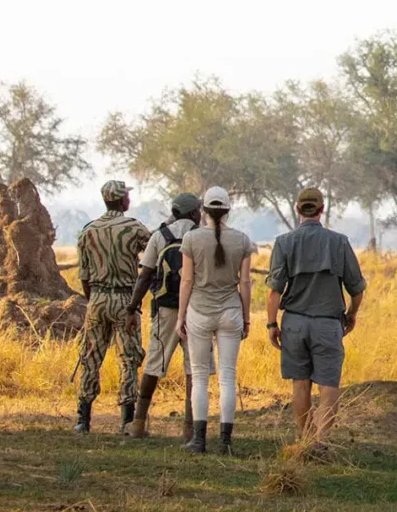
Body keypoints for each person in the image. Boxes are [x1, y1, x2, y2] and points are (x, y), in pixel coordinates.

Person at [266, 187, 366, 448]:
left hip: (295, 323)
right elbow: (357, 288)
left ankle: (305, 439)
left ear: (297, 209)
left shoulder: (284, 242)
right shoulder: (339, 242)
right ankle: (321, 441)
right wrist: (351, 315)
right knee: (328, 383)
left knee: (300, 383)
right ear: (322, 210)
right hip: (328, 323)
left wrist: (271, 324)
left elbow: (273, 292)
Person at [176, 186, 256, 454]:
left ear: (204, 210)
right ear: (228, 211)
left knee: (199, 376)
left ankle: (199, 440)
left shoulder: (191, 239)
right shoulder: (242, 240)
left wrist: (180, 317)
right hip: (230, 311)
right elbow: (245, 282)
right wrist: (246, 317)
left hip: (198, 310)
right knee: (227, 377)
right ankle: (225, 441)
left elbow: (186, 280)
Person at [73, 180, 150, 434]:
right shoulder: (134, 228)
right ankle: (127, 419)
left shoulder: (88, 231)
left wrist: (93, 298)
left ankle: (83, 419)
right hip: (125, 300)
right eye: (127, 195)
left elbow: (83, 275)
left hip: (96, 299)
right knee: (128, 358)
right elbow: (152, 257)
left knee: (91, 357)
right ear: (122, 200)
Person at [125, 192, 201, 439]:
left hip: (165, 309)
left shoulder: (160, 236)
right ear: (193, 213)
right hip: (196, 310)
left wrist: (132, 307)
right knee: (194, 369)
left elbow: (145, 276)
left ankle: (138, 422)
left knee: (154, 364)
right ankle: (190, 427)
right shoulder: (202, 236)